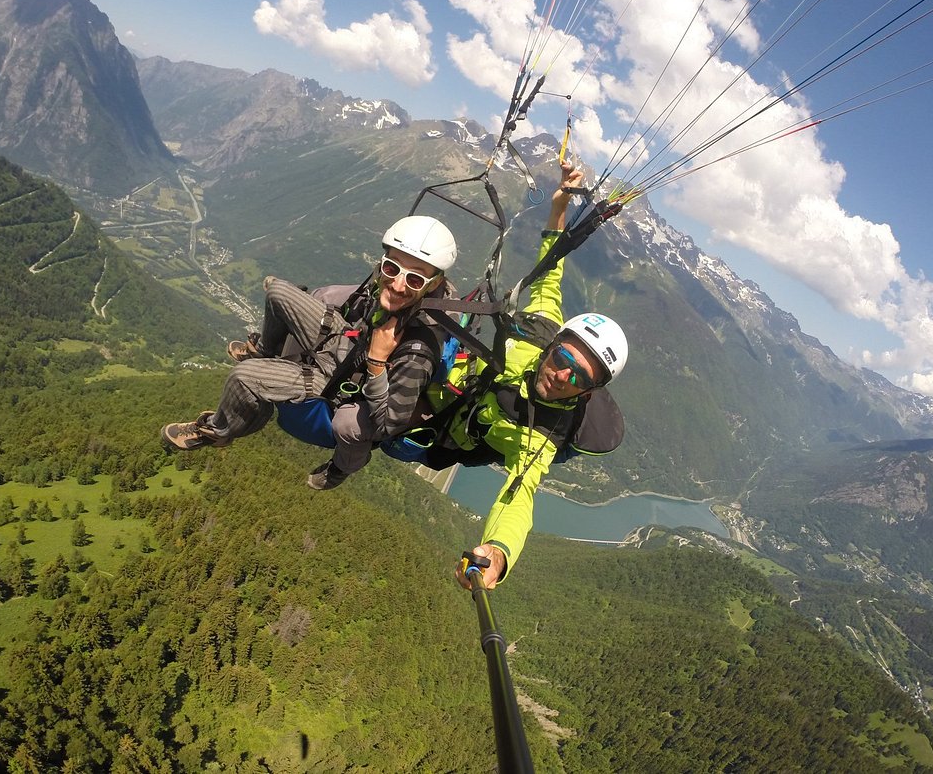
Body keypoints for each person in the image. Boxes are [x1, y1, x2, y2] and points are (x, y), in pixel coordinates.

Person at [417, 161, 628, 590]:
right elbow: (550, 272)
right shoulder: (540, 328)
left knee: (404, 439)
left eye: (578, 378)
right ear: (553, 344)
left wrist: (497, 552)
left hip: (447, 433)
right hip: (451, 384)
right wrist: (560, 206)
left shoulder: (542, 436)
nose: (561, 375)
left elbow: (519, 496)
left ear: (588, 393)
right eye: (563, 358)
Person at [160, 216, 458, 491]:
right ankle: (263, 352)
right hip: (349, 345)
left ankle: (219, 431)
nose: (397, 284)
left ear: (434, 284)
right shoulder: (392, 288)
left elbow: (389, 422)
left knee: (245, 377)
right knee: (278, 291)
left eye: (414, 279)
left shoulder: (419, 350)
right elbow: (357, 300)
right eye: (391, 269)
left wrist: (378, 361)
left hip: (349, 388)